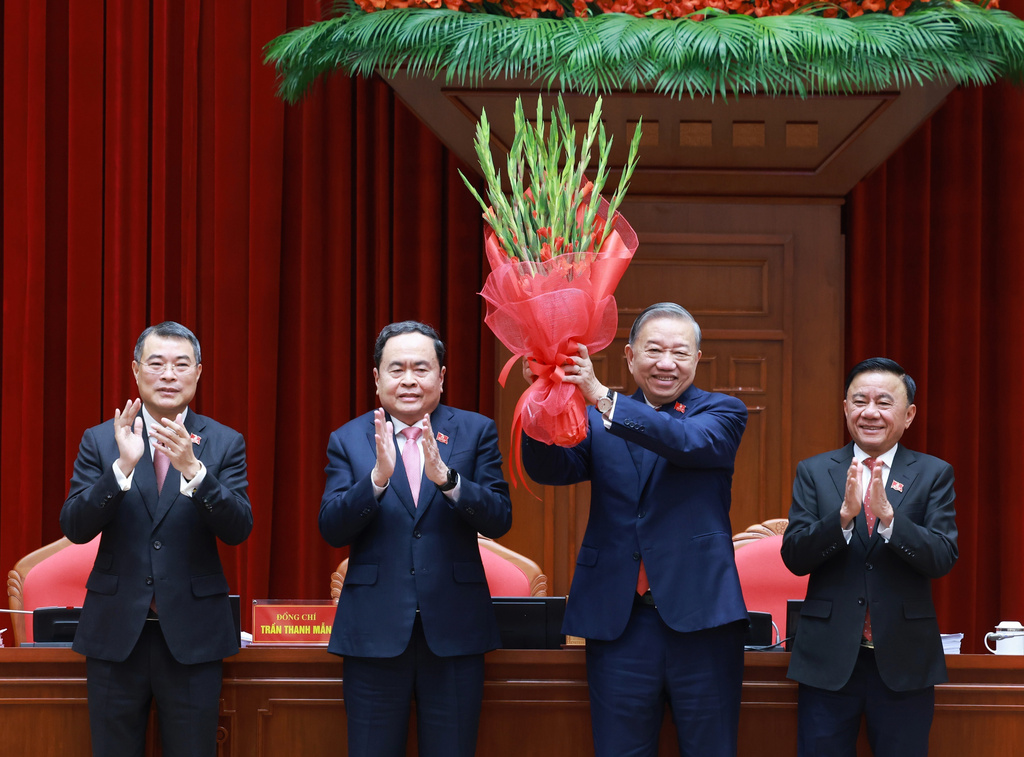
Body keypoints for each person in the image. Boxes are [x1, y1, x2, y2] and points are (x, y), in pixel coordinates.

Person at [521, 302, 750, 757]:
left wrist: (603, 397)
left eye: (680, 353)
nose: (667, 364)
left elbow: (684, 442)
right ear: (629, 356)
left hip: (701, 618)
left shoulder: (723, 412)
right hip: (619, 618)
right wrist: (543, 404)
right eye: (654, 350)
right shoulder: (593, 419)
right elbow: (551, 468)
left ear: (697, 360)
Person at [320, 320, 512, 757]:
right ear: (377, 378)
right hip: (373, 631)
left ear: (441, 376)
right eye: (397, 368)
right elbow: (332, 527)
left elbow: (500, 518)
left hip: (456, 631)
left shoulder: (475, 431)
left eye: (421, 368)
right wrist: (375, 480)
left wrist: (449, 481)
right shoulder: (349, 440)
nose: (409, 379)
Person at [60, 321, 252, 757]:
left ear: (198, 373)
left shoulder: (223, 442)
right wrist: (121, 469)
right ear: (136, 371)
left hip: (194, 634)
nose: (169, 374)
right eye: (157, 363)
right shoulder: (101, 439)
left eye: (181, 364)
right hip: (115, 632)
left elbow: (239, 528)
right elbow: (75, 526)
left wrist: (195, 472)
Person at [781, 357, 958, 757]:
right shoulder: (814, 471)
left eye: (884, 401)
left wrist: (891, 520)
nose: (870, 412)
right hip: (827, 660)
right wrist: (842, 518)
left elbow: (943, 557)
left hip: (904, 659)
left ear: (908, 414)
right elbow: (794, 556)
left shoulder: (933, 474)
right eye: (859, 401)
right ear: (846, 408)